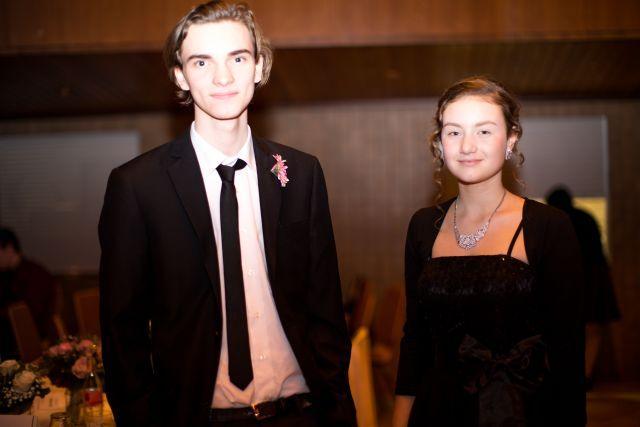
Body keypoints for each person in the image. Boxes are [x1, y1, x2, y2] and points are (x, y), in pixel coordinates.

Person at [98, 2, 355, 426]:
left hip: (300, 413)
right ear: (180, 75)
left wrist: (339, 411)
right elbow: (122, 333)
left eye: (237, 58)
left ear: (259, 66)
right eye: (202, 62)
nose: (223, 77)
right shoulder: (137, 186)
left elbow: (325, 309)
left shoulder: (301, 173)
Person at [392, 77, 586, 426]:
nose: (467, 145)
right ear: (439, 143)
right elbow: (415, 339)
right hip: (437, 411)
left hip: (521, 411)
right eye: (454, 132)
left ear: (510, 139)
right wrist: (400, 418)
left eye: (483, 131)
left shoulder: (548, 226)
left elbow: (568, 348)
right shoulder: (423, 226)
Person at [547, 186, 620, 386]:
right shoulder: (586, 217)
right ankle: (586, 374)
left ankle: (569, 373)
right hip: (595, 279)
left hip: (569, 281)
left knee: (566, 330)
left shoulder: (555, 221)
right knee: (593, 329)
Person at [0, 227, 58, 359]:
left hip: (31, 340)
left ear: (9, 249)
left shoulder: (35, 274)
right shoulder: (5, 275)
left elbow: (28, 315)